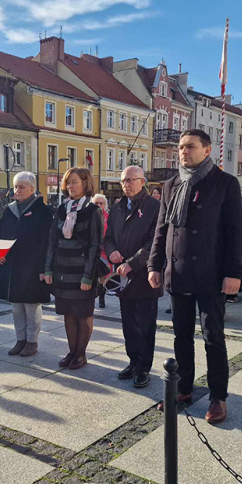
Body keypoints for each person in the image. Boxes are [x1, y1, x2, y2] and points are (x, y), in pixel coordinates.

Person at [148, 129, 242, 424]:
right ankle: (184, 387)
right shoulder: (171, 184)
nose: (183, 152)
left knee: (213, 337)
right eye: (180, 147)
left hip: (212, 274)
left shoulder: (225, 183)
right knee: (181, 336)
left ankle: (218, 396)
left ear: (207, 150)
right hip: (178, 272)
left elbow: (235, 232)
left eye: (190, 147)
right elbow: (162, 229)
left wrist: (233, 273)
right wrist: (154, 264)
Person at [104, 166, 162, 388]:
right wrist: (111, 252)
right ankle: (133, 362)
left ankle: (144, 368)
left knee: (145, 325)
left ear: (142, 182)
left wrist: (133, 263)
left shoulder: (155, 207)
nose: (126, 184)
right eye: (123, 181)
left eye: (130, 180)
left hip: (145, 276)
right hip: (123, 278)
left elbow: (154, 242)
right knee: (128, 324)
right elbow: (108, 237)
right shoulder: (118, 207)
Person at [44, 167, 104, 370]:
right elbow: (52, 241)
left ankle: (81, 354)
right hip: (62, 271)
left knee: (83, 314)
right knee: (68, 313)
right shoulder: (61, 209)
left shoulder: (93, 211)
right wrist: (49, 269)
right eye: (68, 182)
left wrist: (88, 276)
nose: (70, 186)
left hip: (82, 272)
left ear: (86, 184)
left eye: (75, 181)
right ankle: (71, 351)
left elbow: (96, 245)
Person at [0, 171, 53, 357]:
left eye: (21, 187)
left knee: (31, 305)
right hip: (12, 265)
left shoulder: (43, 211)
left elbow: (47, 242)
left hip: (33, 266)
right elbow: (0, 232)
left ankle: (32, 341)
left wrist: (45, 268)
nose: (17, 190)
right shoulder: (9, 209)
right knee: (16, 306)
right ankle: (20, 339)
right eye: (15, 186)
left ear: (32, 189)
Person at [91, 193, 110, 309]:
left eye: (101, 203)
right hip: (92, 248)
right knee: (92, 273)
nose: (98, 205)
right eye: (96, 203)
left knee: (103, 273)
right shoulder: (89, 217)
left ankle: (102, 296)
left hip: (104, 249)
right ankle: (93, 295)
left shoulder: (108, 216)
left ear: (105, 205)